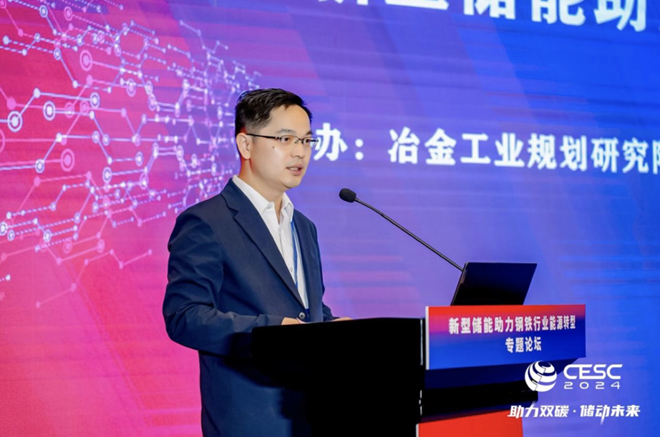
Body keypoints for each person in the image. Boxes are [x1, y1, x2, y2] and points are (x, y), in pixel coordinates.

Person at [163, 88, 340, 437]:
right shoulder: (206, 222)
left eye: (307, 140)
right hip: (250, 421)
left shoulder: (304, 227)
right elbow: (184, 317)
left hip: (311, 418)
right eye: (285, 139)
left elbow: (308, 310)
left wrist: (336, 330)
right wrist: (271, 333)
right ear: (245, 145)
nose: (299, 152)